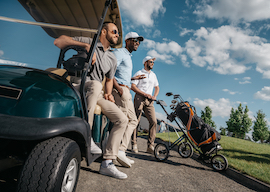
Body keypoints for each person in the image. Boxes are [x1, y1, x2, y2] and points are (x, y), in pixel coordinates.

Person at [54, 22, 129, 179]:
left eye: (118, 33)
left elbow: (109, 80)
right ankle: (87, 136)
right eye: (114, 31)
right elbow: (59, 41)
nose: (117, 35)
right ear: (103, 31)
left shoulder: (112, 58)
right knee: (94, 84)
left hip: (96, 92)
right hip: (76, 83)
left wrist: (109, 94)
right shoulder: (88, 41)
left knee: (122, 119)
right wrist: (85, 46)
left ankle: (107, 163)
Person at [112, 32, 144, 168]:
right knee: (125, 121)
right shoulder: (119, 52)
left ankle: (121, 150)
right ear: (127, 41)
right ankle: (118, 151)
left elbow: (121, 74)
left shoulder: (128, 56)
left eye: (139, 41)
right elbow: (109, 70)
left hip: (126, 89)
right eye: (135, 40)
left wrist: (133, 79)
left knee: (133, 121)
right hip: (121, 90)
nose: (138, 43)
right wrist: (118, 88)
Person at [131, 56, 160, 154]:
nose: (152, 63)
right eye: (151, 61)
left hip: (149, 100)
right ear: (145, 62)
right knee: (136, 120)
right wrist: (144, 94)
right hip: (139, 97)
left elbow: (157, 87)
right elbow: (133, 86)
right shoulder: (139, 73)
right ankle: (134, 143)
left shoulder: (153, 75)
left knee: (154, 121)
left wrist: (154, 95)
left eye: (153, 62)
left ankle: (150, 146)